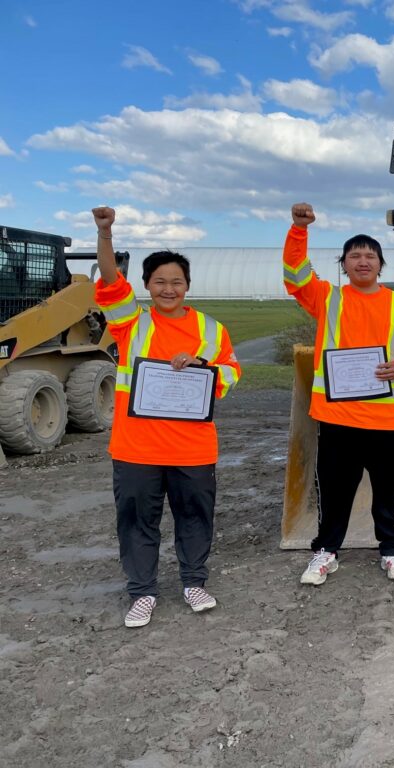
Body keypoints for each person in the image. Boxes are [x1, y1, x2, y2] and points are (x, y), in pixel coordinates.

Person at [92, 207, 242, 629]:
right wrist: (105, 234)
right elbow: (108, 278)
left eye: (177, 281)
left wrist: (204, 370)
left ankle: (194, 582)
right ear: (146, 286)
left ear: (188, 286)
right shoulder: (129, 322)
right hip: (137, 446)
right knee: (137, 518)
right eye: (160, 281)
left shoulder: (211, 330)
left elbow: (231, 370)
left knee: (195, 515)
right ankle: (142, 592)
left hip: (192, 446)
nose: (169, 288)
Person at [284, 204, 394, 586]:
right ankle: (326, 552)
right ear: (344, 264)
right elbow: (295, 276)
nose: (363, 261)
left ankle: (392, 550)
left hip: (385, 419)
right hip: (337, 419)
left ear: (381, 265)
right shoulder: (328, 299)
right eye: (355, 255)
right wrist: (299, 230)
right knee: (333, 491)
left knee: (387, 493)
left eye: (370, 256)